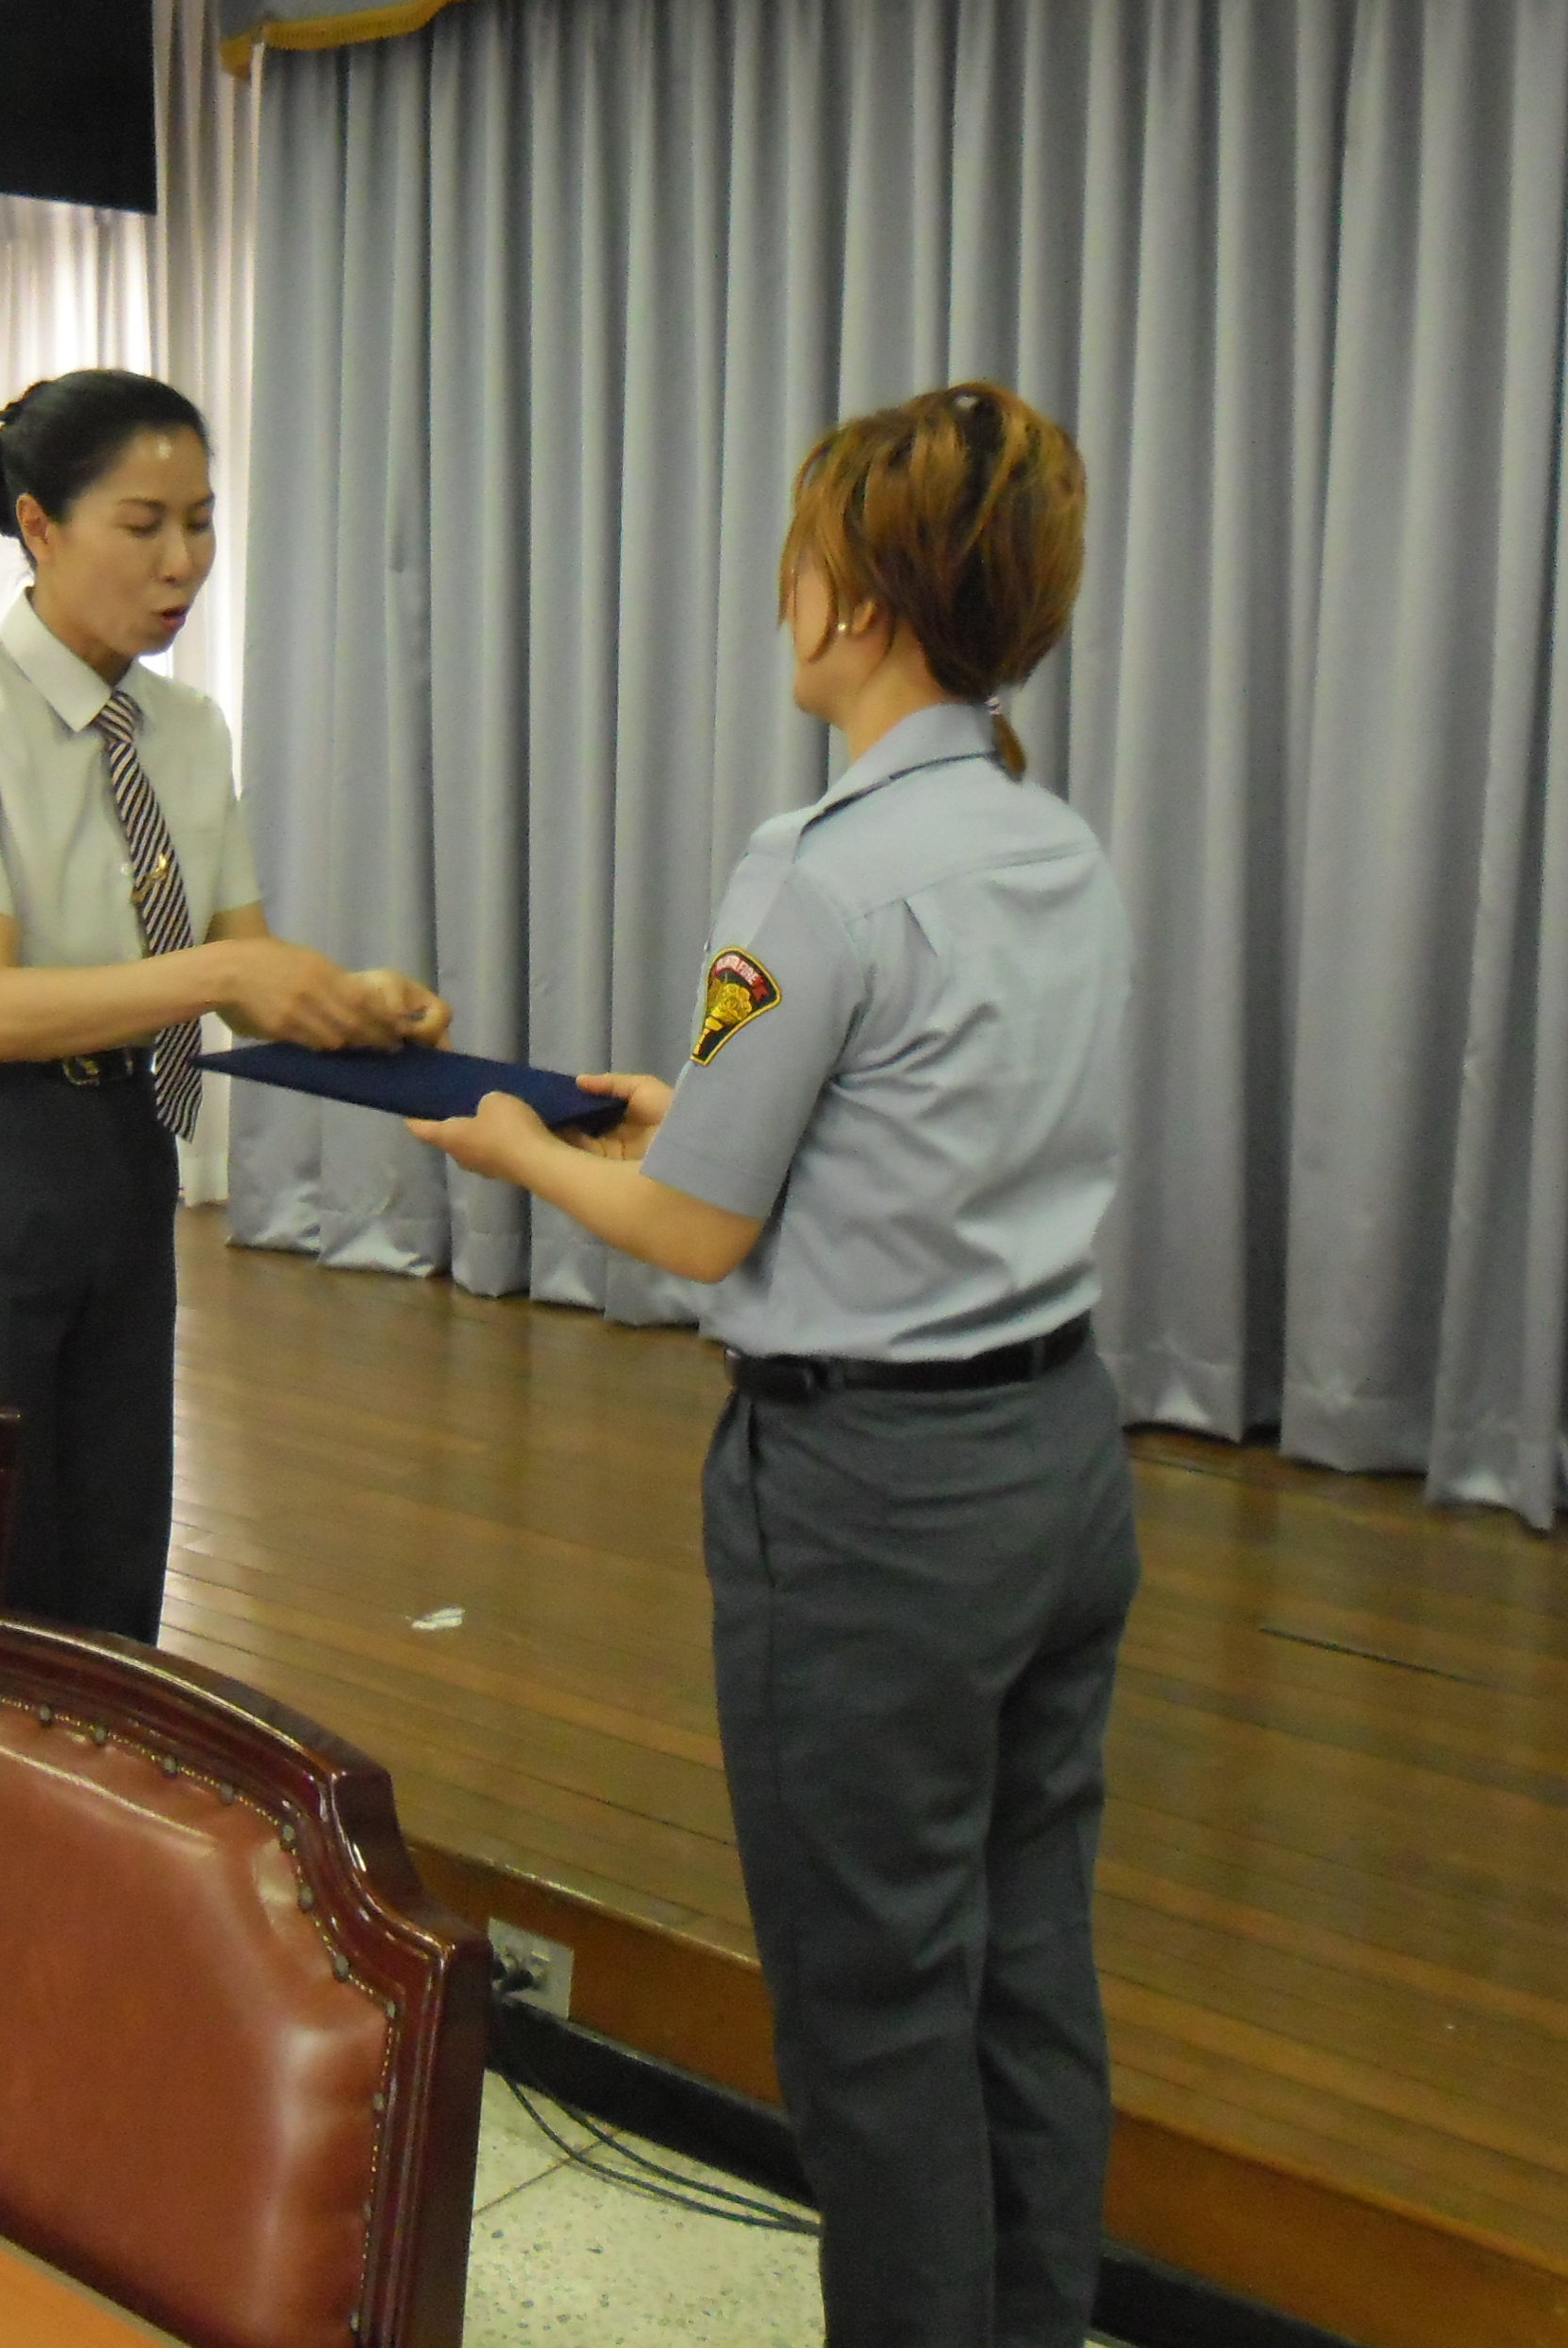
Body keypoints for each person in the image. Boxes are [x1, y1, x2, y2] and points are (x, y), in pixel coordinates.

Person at [413, 382, 1138, 2348]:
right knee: (1027, 1967)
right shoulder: (1051, 844)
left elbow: (692, 1231)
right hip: (1059, 1463)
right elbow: (912, 1131)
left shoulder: (812, 868)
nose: (781, 594)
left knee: (873, 2011)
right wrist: (688, 1117)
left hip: (873, 1513)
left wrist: (526, 1155)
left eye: (800, 560)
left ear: (858, 604)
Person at [0, 369, 443, 1643]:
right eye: (144, 525)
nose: (184, 562)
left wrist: (350, 1004)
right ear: (41, 527)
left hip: (123, 1147)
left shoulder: (184, 729)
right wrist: (228, 979)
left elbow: (241, 962)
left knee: (116, 1539)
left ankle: (103, 1772)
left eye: (202, 521)